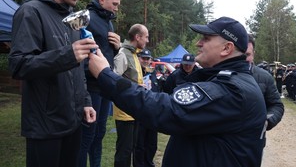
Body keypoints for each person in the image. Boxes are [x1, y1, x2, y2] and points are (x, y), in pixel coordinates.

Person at [88, 16, 267, 167]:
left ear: (227, 48)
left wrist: (106, 76)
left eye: (206, 38)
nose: (198, 43)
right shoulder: (228, 81)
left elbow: (165, 110)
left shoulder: (233, 90)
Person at [8, 0, 97, 167]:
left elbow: (77, 66)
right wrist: (68, 55)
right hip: (44, 126)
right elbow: (19, 64)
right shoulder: (31, 11)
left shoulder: (72, 16)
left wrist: (85, 101)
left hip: (73, 121)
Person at [78, 0, 122, 167]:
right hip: (90, 85)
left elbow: (105, 53)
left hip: (105, 86)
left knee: (100, 133)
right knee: (87, 135)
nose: (116, 8)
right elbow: (76, 51)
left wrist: (118, 47)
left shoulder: (109, 21)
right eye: (114, 3)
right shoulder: (84, 18)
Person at [113, 24, 149, 167]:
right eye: (146, 36)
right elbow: (114, 79)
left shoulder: (134, 53)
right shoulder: (123, 53)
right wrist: (135, 86)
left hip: (134, 109)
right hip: (124, 111)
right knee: (124, 151)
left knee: (132, 147)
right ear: (137, 37)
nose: (147, 40)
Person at [245, 34, 284, 131]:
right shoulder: (217, 73)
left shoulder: (265, 77)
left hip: (253, 140)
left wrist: (266, 122)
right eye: (239, 55)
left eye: (247, 55)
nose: (243, 59)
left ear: (254, 53)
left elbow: (276, 105)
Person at [134, 49, 160, 167]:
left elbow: (157, 88)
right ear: (139, 58)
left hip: (152, 111)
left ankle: (149, 163)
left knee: (152, 143)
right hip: (139, 111)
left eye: (147, 58)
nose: (145, 61)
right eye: (143, 58)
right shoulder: (135, 71)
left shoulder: (152, 72)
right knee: (139, 143)